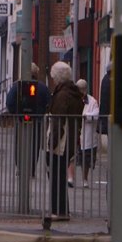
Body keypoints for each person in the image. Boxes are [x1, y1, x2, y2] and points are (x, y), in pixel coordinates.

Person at [46, 61, 84, 220]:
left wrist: (51, 144)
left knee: (56, 177)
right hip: (70, 140)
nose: (53, 80)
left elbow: (58, 122)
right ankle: (63, 210)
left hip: (60, 143)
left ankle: (58, 211)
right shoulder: (74, 94)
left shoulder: (62, 95)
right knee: (60, 176)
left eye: (54, 77)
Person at [5, 63, 50, 177]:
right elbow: (49, 103)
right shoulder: (43, 87)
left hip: (20, 120)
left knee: (19, 143)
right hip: (37, 121)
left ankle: (20, 167)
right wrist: (41, 113)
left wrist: (16, 113)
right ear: (36, 73)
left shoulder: (17, 86)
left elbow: (9, 102)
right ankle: (31, 169)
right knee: (35, 144)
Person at [68, 79, 100, 188]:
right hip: (75, 132)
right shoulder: (72, 99)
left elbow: (96, 114)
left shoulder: (92, 101)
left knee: (86, 160)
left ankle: (85, 179)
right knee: (72, 156)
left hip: (87, 134)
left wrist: (85, 115)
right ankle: (71, 178)